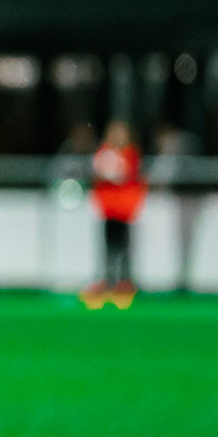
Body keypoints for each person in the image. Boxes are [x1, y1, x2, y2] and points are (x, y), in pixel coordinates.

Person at [85, 120, 145, 309]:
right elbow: (97, 172)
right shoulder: (104, 152)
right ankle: (109, 283)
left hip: (125, 209)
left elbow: (128, 174)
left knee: (124, 248)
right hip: (109, 209)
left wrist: (114, 172)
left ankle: (125, 284)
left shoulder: (130, 154)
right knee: (109, 248)